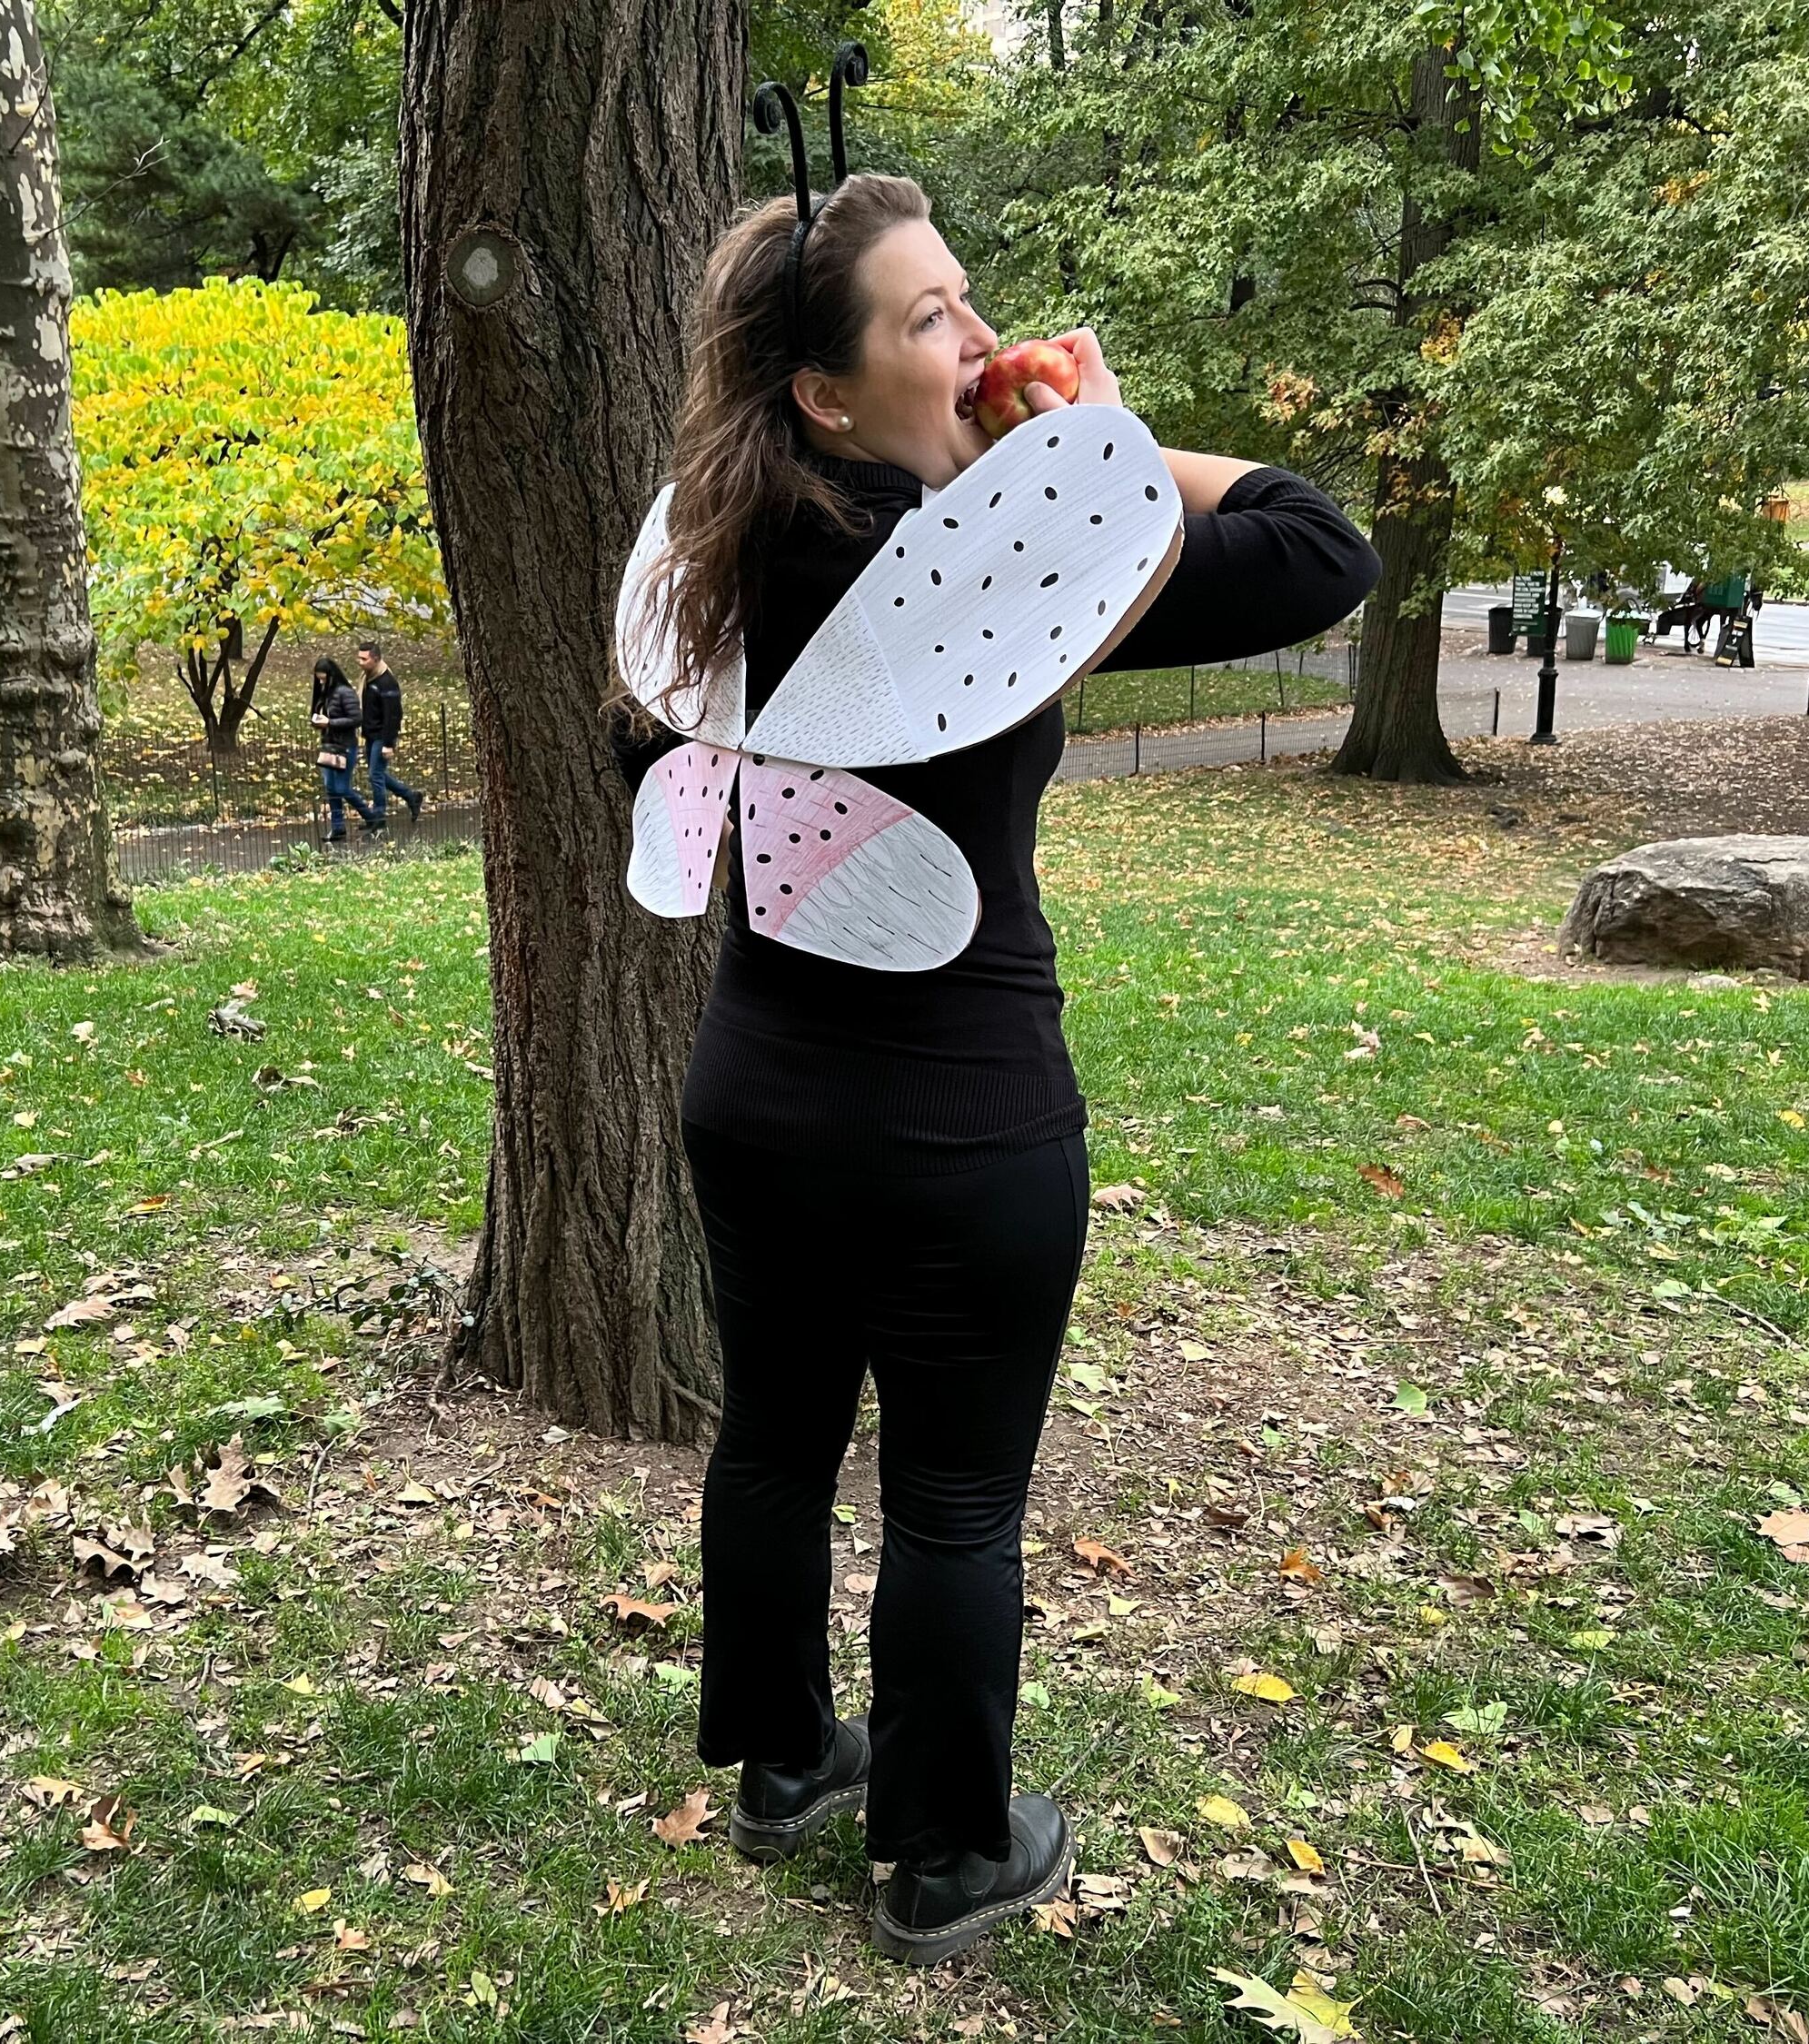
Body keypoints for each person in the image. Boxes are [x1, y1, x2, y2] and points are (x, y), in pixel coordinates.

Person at [613, 173, 1377, 1966]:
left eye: (971, 301)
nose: (971, 336)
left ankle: (786, 1761)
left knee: (780, 1444)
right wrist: (1114, 448)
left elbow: (632, 772)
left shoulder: (709, 551)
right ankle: (951, 1851)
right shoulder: (1008, 560)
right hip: (958, 1121)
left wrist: (1034, 464)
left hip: (757, 1093)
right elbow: (1317, 544)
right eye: (926, 317)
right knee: (954, 1499)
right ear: (825, 387)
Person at [310, 657, 382, 842]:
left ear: (332, 676)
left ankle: (372, 816)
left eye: (324, 678)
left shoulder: (344, 692)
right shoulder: (324, 693)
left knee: (342, 787)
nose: (321, 682)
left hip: (344, 746)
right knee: (331, 788)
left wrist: (330, 723)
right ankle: (338, 827)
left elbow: (356, 719)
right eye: (319, 679)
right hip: (328, 745)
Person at [353, 640, 424, 825]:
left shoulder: (386, 682)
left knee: (375, 775)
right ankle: (411, 796)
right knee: (377, 773)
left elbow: (393, 715)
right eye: (359, 658)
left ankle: (379, 817)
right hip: (370, 734)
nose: (359, 662)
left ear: (376, 659)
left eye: (364, 659)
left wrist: (388, 743)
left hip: (381, 736)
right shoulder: (368, 678)